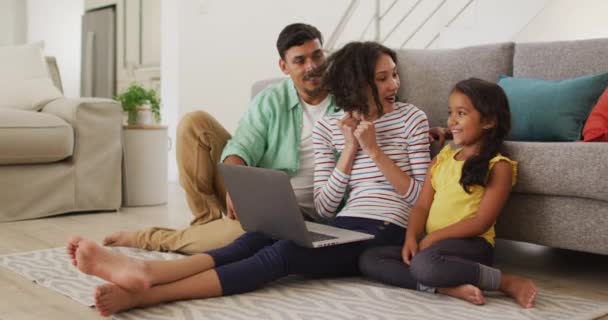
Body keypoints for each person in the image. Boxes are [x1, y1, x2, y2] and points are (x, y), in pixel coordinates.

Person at [66, 41, 431, 316]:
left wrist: (375, 152)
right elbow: (324, 206)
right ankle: (148, 270)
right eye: (382, 78)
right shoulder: (333, 129)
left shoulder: (412, 118)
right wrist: (350, 151)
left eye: (394, 75)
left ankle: (150, 292)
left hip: (386, 229)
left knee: (283, 255)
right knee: (256, 237)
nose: (393, 84)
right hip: (343, 224)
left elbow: (420, 197)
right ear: (358, 83)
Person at [102, 24, 449, 255]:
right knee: (194, 124)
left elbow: (387, 115)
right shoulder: (271, 98)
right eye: (300, 60)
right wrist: (235, 183)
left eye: (317, 56)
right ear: (284, 66)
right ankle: (207, 224)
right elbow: (240, 145)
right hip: (267, 199)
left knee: (240, 240)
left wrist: (439, 132)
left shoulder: (348, 98)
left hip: (310, 212)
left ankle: (151, 239)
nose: (312, 66)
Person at [358, 78, 538, 308]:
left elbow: (481, 221)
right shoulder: (441, 159)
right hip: (434, 248)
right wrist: (411, 237)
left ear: (489, 121)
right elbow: (422, 206)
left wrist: (433, 238)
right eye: (450, 112)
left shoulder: (498, 166)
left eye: (461, 113)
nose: (451, 120)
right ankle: (445, 287)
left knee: (425, 264)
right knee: (370, 258)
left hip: (472, 246)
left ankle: (505, 282)